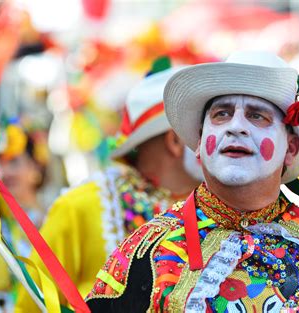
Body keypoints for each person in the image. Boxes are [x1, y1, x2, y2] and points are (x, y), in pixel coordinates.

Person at [86, 51, 299, 312]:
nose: (236, 126)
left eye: (257, 116)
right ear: (199, 142)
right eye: (221, 114)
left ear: (289, 148)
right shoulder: (147, 253)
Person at [15, 63, 204, 311]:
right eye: (206, 129)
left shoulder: (222, 211)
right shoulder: (82, 207)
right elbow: (31, 306)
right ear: (175, 141)